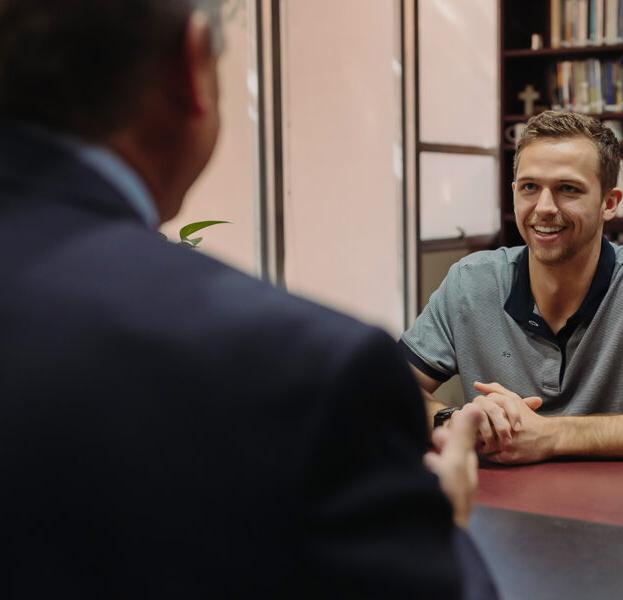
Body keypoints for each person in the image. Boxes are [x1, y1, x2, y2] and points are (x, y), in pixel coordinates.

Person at [0, 1, 494, 597]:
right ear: (191, 66)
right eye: (527, 186)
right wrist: (445, 518)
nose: (543, 208)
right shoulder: (309, 371)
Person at [401, 111, 623, 463]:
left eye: (568, 189)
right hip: (497, 507)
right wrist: (454, 421)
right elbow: (384, 390)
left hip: (616, 510)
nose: (544, 208)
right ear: (515, 192)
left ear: (609, 203)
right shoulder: (470, 281)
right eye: (530, 187)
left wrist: (551, 435)